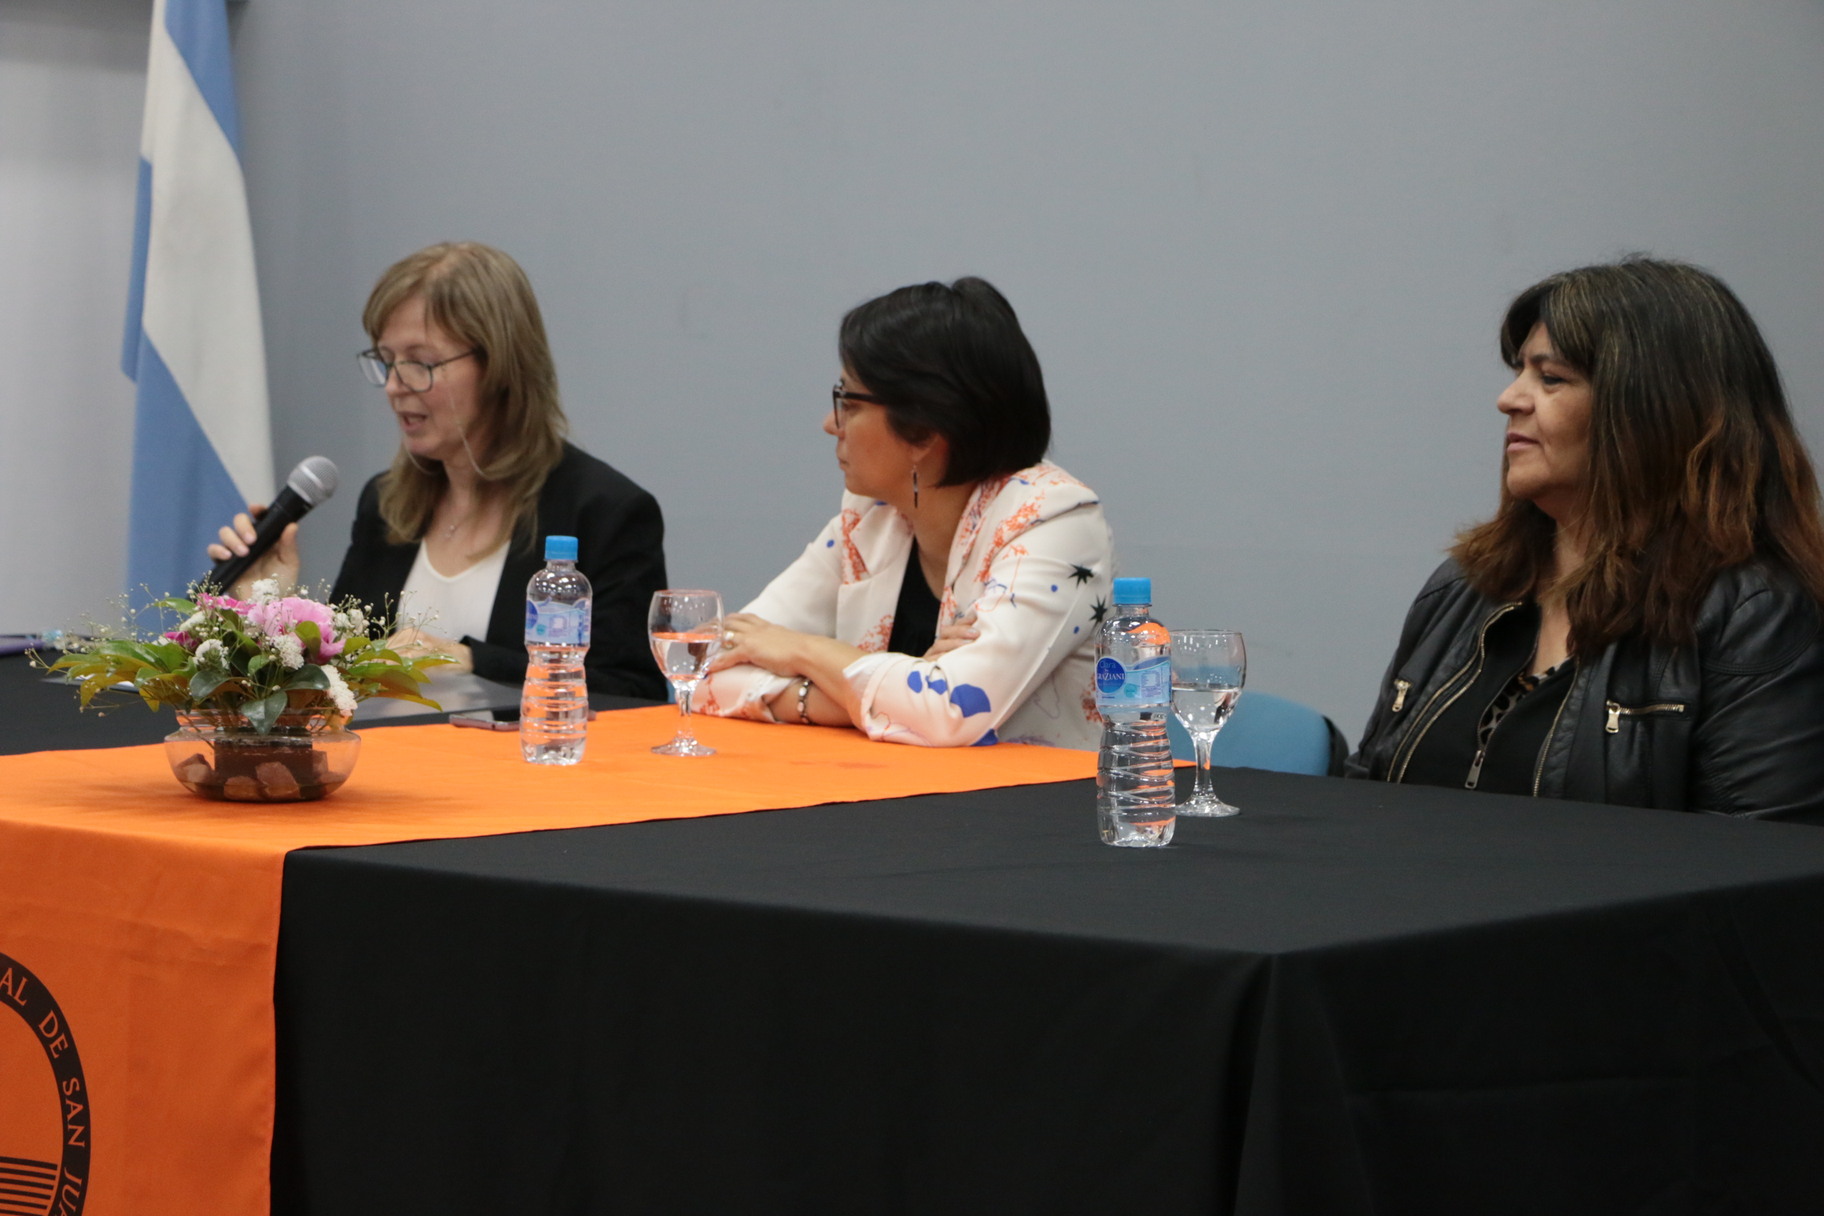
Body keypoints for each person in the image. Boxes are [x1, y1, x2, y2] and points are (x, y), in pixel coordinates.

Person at [1348, 257, 1824, 821]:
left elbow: (1761, 860)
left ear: (1654, 412)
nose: (1509, 398)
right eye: (1520, 372)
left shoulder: (1753, 614)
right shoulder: (1464, 587)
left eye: (1550, 378)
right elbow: (1365, 793)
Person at [208, 242, 668, 699]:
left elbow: (632, 693)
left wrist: (470, 663)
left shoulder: (605, 512)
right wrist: (270, 607)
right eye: (387, 361)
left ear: (500, 366)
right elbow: (341, 681)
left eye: (420, 363)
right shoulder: (384, 505)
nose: (394, 385)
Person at [698, 277, 1114, 748]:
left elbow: (951, 710)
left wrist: (802, 649)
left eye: (849, 402)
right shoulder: (870, 518)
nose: (830, 423)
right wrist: (890, 688)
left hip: (1037, 794)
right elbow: (706, 665)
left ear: (924, 430)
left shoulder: (1053, 520)